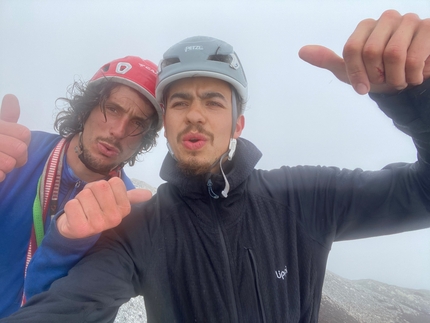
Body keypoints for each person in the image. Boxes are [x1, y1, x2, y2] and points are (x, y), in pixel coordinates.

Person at [3, 10, 430, 322]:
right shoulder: (136, 226)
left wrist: (413, 100)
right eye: (180, 102)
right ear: (167, 126)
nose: (195, 115)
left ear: (237, 124)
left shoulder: (304, 197)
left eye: (213, 101)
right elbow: (65, 309)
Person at [0, 56, 163, 318]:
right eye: (112, 108)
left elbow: (87, 311)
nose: (119, 131)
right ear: (86, 108)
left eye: (138, 123)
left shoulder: (128, 214)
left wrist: (66, 246)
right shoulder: (16, 153)